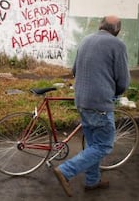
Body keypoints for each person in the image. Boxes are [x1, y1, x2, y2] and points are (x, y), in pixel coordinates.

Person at [53, 15, 130, 197]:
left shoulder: (86, 40)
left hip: (81, 100)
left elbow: (74, 71)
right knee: (104, 145)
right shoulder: (117, 45)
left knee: (93, 144)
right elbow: (124, 80)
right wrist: (116, 93)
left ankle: (92, 181)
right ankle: (66, 170)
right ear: (117, 31)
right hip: (100, 102)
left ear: (100, 26)